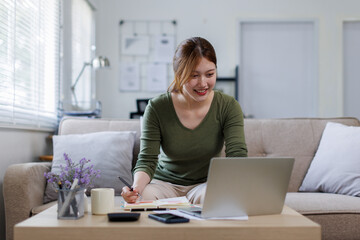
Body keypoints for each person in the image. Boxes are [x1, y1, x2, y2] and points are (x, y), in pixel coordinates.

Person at [121, 37, 248, 204]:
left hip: (206, 184)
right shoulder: (157, 107)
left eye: (210, 74)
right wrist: (135, 189)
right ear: (178, 74)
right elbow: (147, 160)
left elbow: (237, 155)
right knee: (143, 198)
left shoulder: (228, 106)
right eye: (194, 75)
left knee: (215, 199)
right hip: (164, 184)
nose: (203, 83)